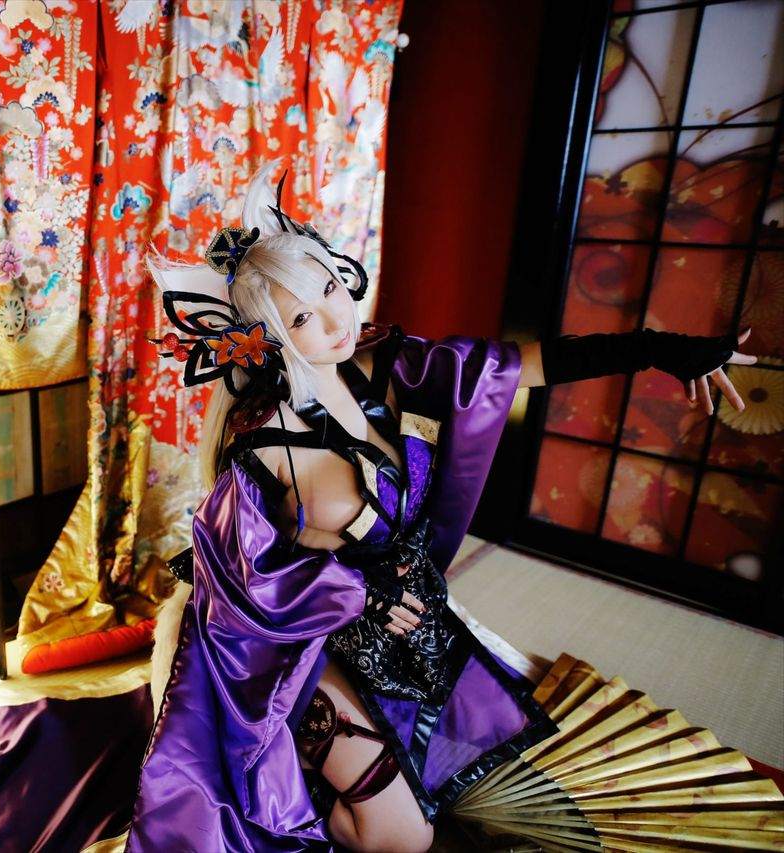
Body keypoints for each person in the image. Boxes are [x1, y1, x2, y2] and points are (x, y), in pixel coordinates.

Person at [124, 160, 756, 853]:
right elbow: (238, 588)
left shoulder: (390, 366)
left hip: (414, 623)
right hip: (303, 647)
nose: (336, 319)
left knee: (497, 774)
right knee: (405, 839)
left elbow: (521, 366)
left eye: (330, 286)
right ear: (266, 337)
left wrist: (658, 350)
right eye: (301, 316)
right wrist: (360, 596)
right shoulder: (258, 447)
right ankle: (296, 793)